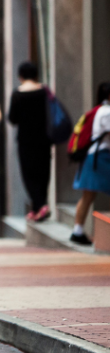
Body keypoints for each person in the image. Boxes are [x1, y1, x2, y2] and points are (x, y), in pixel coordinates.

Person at [8, 61, 51, 221]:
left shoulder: (17, 93)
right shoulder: (44, 91)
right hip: (44, 138)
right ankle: (38, 207)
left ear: (20, 76)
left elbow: (12, 118)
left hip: (26, 140)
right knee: (43, 171)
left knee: (28, 174)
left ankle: (40, 205)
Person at [71, 82, 110, 245]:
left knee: (88, 195)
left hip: (93, 156)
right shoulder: (107, 111)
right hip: (101, 157)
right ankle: (77, 231)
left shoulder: (99, 110)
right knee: (88, 195)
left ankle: (77, 231)